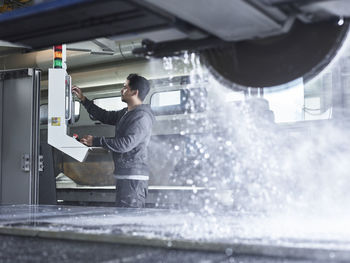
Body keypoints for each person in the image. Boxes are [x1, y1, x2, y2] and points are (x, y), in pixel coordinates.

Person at [72, 74, 154, 208]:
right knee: (123, 219)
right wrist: (83, 99)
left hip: (133, 179)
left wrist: (95, 141)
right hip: (125, 176)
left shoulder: (141, 118)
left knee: (128, 221)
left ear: (134, 92)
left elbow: (125, 144)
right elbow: (104, 116)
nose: (122, 90)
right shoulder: (127, 113)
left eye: (125, 87)